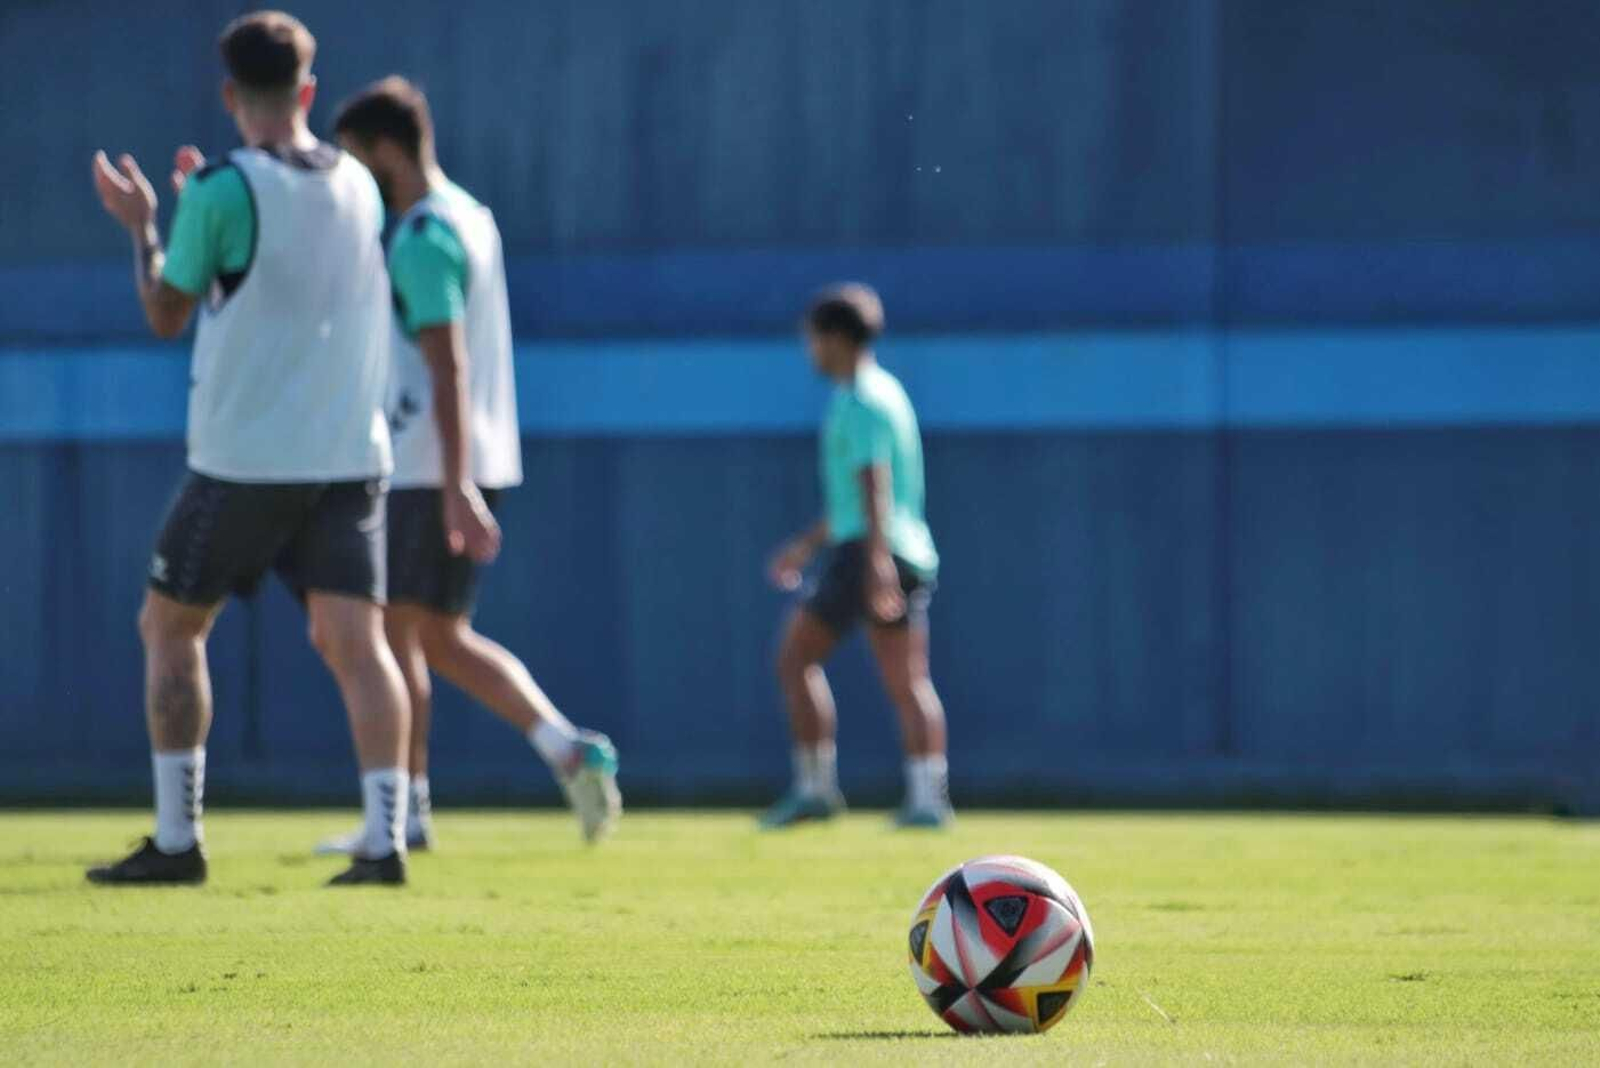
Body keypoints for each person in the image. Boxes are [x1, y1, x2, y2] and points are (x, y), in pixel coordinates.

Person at [83, 11, 458, 887]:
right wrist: (203, 216)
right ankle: (385, 841)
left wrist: (145, 225)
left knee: (170, 627)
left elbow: (166, 311)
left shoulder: (222, 188)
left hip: (245, 457)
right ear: (308, 90)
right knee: (360, 646)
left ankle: (178, 839)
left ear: (229, 95)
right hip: (350, 456)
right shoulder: (361, 184)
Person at [315, 76, 620, 852]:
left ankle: (402, 814)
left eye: (359, 160)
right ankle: (563, 750)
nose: (357, 179)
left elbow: (447, 364)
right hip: (468, 456)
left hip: (429, 465)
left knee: (392, 638)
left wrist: (453, 486)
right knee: (437, 638)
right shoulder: (471, 217)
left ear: (387, 151)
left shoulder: (423, 235)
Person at [760, 284, 952, 829]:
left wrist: (875, 562)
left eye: (813, 338)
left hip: (871, 552)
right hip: (898, 549)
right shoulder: (885, 391)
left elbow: (874, 484)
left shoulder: (861, 398)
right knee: (909, 681)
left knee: (794, 658)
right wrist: (806, 545)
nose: (810, 350)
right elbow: (857, 498)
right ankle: (929, 801)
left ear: (836, 338)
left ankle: (815, 790)